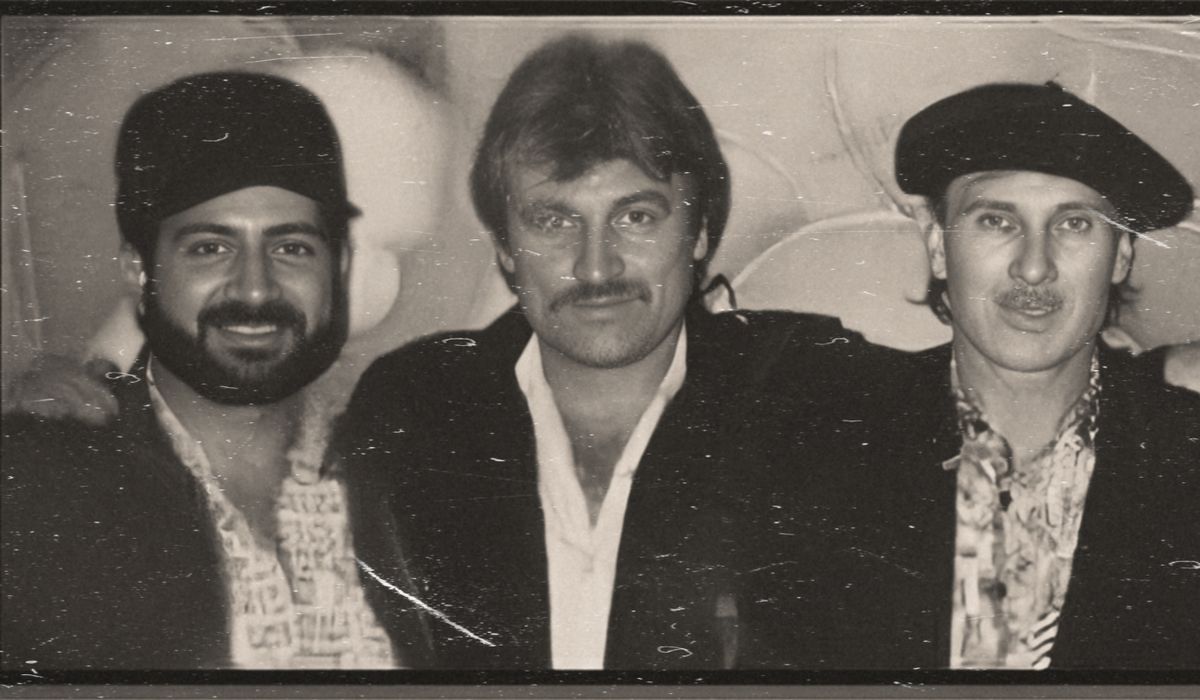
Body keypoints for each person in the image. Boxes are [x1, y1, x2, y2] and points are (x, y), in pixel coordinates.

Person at [331, 34, 892, 670]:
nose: (597, 267)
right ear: (506, 248)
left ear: (699, 229)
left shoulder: (816, 393)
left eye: (636, 217)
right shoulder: (414, 410)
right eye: (554, 222)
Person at [790, 82, 1200, 670]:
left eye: (1074, 224)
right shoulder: (829, 449)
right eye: (995, 220)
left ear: (1122, 254)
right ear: (937, 245)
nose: (1034, 266)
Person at [0, 72, 393, 669]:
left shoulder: (408, 472)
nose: (255, 288)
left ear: (339, 265)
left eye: (291, 247)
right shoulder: (38, 492)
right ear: (139, 270)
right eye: (210, 248)